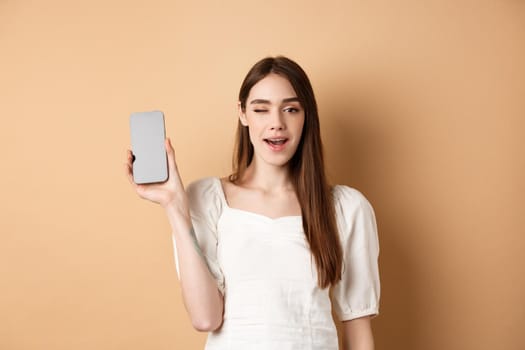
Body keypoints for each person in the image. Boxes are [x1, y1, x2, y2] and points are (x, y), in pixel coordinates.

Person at [125, 56, 380, 350]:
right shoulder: (207, 199)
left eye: (291, 109)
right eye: (261, 109)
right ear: (243, 113)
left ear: (306, 115)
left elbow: (358, 331)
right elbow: (205, 318)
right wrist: (174, 206)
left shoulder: (346, 208)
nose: (276, 124)